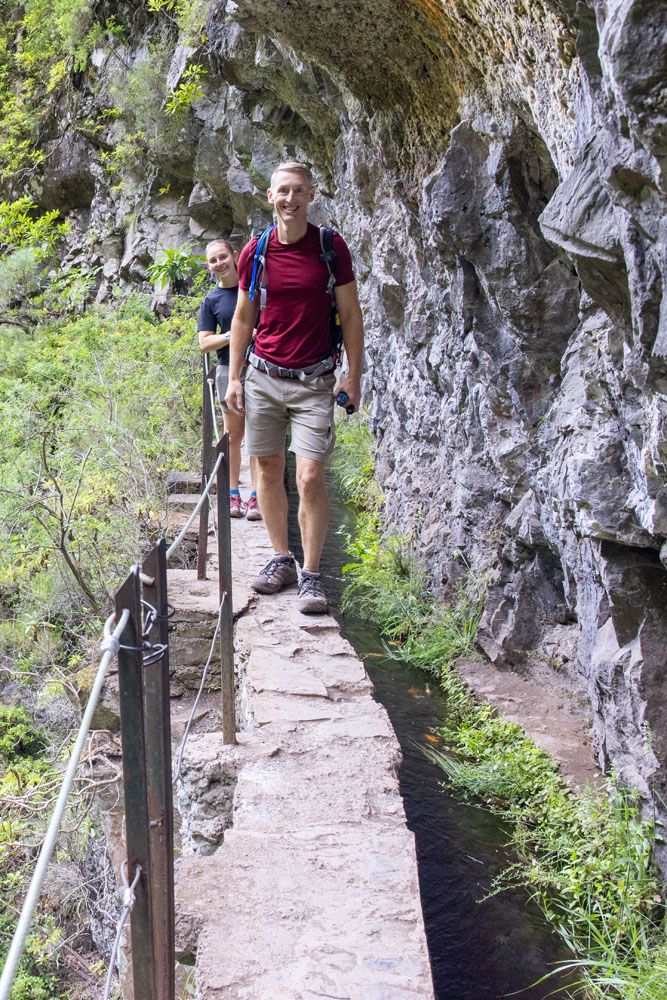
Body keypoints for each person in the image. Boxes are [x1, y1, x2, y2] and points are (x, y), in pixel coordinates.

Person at [225, 162, 364, 614]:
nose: (290, 199)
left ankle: (311, 574)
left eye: (298, 191)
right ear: (270, 197)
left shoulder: (330, 247)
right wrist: (234, 379)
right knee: (266, 468)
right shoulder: (256, 251)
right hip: (264, 377)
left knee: (309, 477)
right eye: (283, 192)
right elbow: (244, 318)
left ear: (311, 195)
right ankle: (280, 557)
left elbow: (351, 312)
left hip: (315, 381)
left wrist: (354, 376)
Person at [197, 237, 261, 521]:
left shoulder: (255, 288)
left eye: (223, 257)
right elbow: (204, 344)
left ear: (234, 255)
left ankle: (257, 496)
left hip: (261, 368)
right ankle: (233, 493)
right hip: (227, 369)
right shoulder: (211, 300)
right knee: (233, 435)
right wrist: (233, 334)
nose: (220, 263)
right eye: (213, 260)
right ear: (209, 267)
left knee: (260, 435)